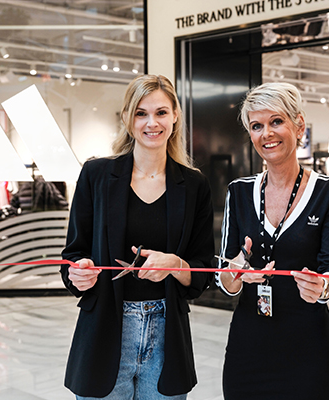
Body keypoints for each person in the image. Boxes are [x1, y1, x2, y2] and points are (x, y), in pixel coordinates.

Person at [60, 75, 214, 399]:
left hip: (166, 334)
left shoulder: (194, 184)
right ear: (127, 118)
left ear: (175, 116)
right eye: (141, 113)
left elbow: (202, 269)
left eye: (160, 112)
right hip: (104, 331)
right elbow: (72, 256)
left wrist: (174, 264)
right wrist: (79, 272)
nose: (151, 123)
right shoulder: (96, 175)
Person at [216, 82, 329, 400]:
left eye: (276, 122)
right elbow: (225, 280)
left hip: (307, 346)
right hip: (248, 346)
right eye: (257, 126)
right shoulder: (239, 191)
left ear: (298, 125)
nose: (267, 134)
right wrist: (236, 271)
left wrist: (322, 287)